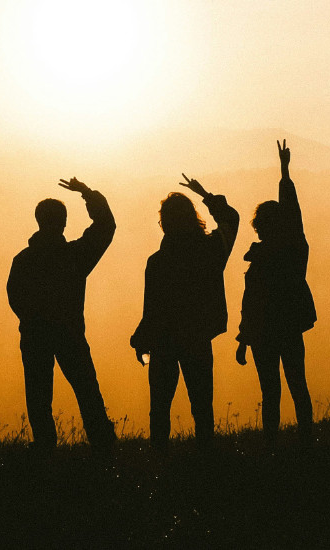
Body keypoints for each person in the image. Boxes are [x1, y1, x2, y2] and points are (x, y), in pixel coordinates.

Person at [6, 177, 117, 454]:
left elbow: (14, 297)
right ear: (64, 222)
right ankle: (102, 442)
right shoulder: (74, 256)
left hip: (34, 334)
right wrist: (87, 193)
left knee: (38, 394)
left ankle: (44, 446)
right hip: (70, 332)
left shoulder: (23, 259)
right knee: (86, 389)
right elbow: (106, 226)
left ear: (38, 221)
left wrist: (32, 319)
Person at [130, 174, 239, 451]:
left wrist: (141, 341)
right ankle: (205, 462)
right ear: (193, 218)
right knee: (202, 404)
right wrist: (205, 194)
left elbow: (151, 309)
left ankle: (159, 460)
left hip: (164, 342)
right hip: (198, 337)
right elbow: (231, 219)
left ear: (164, 223)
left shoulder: (157, 262)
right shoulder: (211, 250)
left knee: (160, 408)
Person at [235, 140, 317, 445]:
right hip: (285, 328)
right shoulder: (293, 251)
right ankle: (304, 440)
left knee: (272, 391)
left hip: (264, 334)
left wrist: (245, 338)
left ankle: (273, 445)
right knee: (296, 384)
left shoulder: (274, 255)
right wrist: (284, 172)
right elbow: (293, 214)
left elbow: (250, 304)